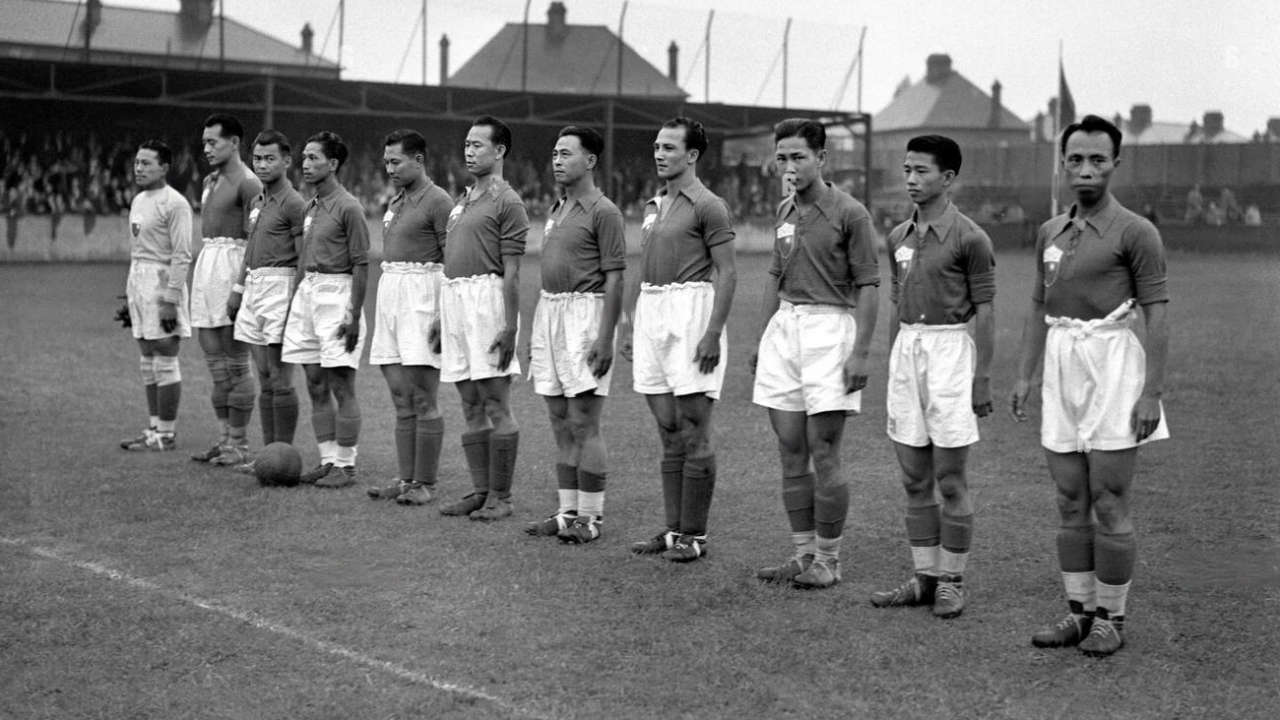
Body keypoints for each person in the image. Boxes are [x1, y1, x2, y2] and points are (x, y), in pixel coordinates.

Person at [1010, 114, 1169, 657]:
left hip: (1114, 364)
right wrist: (1026, 374)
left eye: (1097, 159)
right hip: (1062, 362)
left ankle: (1112, 618)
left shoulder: (1135, 231)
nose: (1086, 168)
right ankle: (1079, 613)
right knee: (1069, 496)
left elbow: (1157, 313)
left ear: (1115, 164)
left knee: (1108, 497)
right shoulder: (1049, 232)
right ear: (1063, 163)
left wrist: (1151, 391)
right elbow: (1038, 304)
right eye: (1076, 159)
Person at [869, 135, 995, 616]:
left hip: (950, 353)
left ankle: (952, 580)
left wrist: (982, 377)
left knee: (950, 478)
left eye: (921, 171)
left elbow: (986, 312)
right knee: (913, 476)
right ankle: (924, 577)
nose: (911, 179)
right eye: (906, 170)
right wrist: (891, 360)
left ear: (947, 178)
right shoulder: (898, 235)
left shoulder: (970, 238)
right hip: (908, 352)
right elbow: (897, 303)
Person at [750, 119, 879, 588]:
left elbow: (868, 285)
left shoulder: (851, 213)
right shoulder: (784, 209)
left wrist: (861, 352)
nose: (789, 166)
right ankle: (802, 554)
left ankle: (829, 559)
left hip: (831, 329)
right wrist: (762, 339)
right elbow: (773, 276)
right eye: (782, 158)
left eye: (798, 157)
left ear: (822, 159)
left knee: (824, 450)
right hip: (787, 328)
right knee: (790, 451)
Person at [624, 117, 736, 562]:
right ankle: (672, 530)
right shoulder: (653, 205)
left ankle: (695, 535)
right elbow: (643, 264)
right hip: (653, 311)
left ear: (691, 155)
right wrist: (633, 322)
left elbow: (728, 272)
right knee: (667, 428)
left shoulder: (710, 205)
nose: (659, 154)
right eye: (656, 146)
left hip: (691, 312)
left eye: (669, 147)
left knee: (693, 428)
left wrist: (712, 333)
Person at [523, 126, 626, 544]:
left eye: (566, 153)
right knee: (559, 419)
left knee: (585, 420)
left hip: (586, 313)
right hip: (551, 312)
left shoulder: (605, 211)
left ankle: (592, 518)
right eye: (554, 152)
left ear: (590, 161)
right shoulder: (556, 208)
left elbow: (616, 278)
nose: (557, 160)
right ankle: (567, 512)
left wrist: (605, 338)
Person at [434, 116, 529, 521]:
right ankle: (480, 490)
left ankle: (502, 497)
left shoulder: (508, 201)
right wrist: (442, 314)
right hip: (455, 300)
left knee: (494, 401)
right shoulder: (463, 198)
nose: (469, 151)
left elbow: (512, 272)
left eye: (478, 145)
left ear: (500, 151)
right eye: (467, 145)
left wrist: (509, 326)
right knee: (469, 402)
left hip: (487, 301)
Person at [365, 129, 454, 506]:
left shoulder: (439, 201)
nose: (389, 168)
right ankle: (406, 479)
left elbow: (452, 261)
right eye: (386, 161)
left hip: (423, 294)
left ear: (418, 160)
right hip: (391, 293)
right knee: (400, 396)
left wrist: (442, 315)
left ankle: (426, 484)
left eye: (396, 161)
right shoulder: (396, 200)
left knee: (422, 397)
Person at [281, 131, 370, 488]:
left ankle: (346, 466)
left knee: (341, 384)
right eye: (304, 157)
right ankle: (327, 459)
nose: (305, 164)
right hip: (309, 293)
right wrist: (294, 302)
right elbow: (304, 259)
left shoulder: (349, 207)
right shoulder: (310, 205)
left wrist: (352, 314)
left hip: (338, 293)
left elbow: (362, 264)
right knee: (315, 383)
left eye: (314, 157)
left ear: (332, 164)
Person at [227, 130, 306, 456]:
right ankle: (267, 455)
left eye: (269, 158)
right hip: (255, 286)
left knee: (279, 376)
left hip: (281, 285)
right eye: (257, 158)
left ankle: (281, 454)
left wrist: (294, 303)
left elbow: (304, 257)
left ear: (287, 161)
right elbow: (251, 250)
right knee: (263, 376)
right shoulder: (258, 201)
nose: (262, 165)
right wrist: (238, 289)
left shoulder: (295, 203)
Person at [190, 114, 263, 467]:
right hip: (207, 263)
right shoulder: (210, 179)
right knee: (214, 365)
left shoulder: (249, 183)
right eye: (204, 142)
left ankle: (240, 444)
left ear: (234, 143)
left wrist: (240, 285)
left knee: (235, 364)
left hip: (232, 265)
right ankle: (223, 440)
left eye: (213, 142)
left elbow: (256, 238)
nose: (206, 148)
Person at [118, 141, 193, 452]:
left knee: (164, 355)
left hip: (162, 280)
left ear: (164, 167)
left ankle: (167, 433)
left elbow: (182, 254)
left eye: (147, 163)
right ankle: (153, 429)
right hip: (139, 279)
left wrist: (169, 298)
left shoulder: (175, 204)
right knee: (147, 359)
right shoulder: (138, 200)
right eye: (137, 162)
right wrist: (131, 295)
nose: (139, 168)